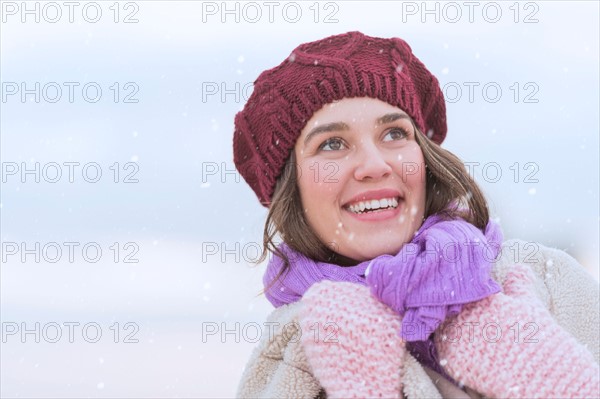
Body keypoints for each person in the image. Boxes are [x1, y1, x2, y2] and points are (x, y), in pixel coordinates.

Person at [232, 31, 600, 398]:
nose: (374, 165)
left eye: (394, 134)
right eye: (332, 144)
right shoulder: (290, 353)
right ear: (291, 189)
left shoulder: (546, 281)